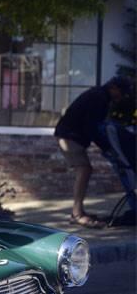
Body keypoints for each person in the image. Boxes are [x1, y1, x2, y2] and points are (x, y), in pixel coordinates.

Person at [54, 77, 131, 228]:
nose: (120, 97)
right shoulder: (99, 98)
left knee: (85, 170)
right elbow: (91, 127)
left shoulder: (100, 95)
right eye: (121, 93)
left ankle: (78, 211)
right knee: (84, 170)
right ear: (113, 87)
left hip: (70, 134)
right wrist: (107, 148)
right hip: (68, 135)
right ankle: (77, 214)